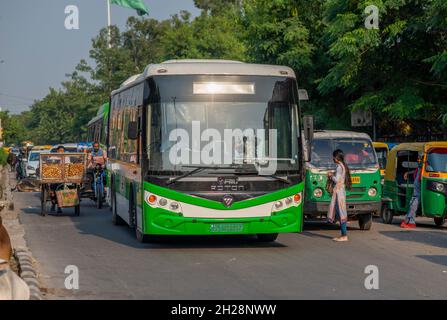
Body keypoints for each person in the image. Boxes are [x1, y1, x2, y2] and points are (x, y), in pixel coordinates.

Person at [327, 149, 352, 242]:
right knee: (340, 213)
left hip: (339, 193)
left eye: (334, 156)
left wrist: (330, 175)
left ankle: (344, 235)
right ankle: (343, 233)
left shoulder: (339, 167)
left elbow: (337, 180)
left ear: (337, 158)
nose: (333, 158)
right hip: (340, 192)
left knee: (341, 213)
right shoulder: (342, 166)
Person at [400, 155, 423, 229]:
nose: (418, 160)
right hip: (416, 189)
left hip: (418, 190)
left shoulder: (425, 167)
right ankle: (408, 220)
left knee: (414, 203)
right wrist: (408, 173)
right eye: (418, 158)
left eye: (420, 159)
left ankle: (411, 221)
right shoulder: (420, 167)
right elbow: (416, 170)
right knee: (412, 202)